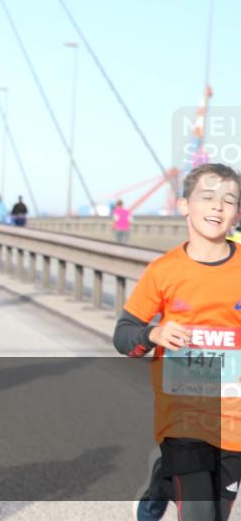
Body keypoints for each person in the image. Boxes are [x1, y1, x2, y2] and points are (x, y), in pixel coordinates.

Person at [113, 163, 241, 521]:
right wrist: (153, 334)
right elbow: (123, 335)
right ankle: (170, 471)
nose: (218, 207)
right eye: (207, 197)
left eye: (228, 200)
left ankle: (162, 480)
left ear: (237, 214)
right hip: (182, 416)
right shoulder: (164, 271)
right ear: (184, 205)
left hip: (234, 419)